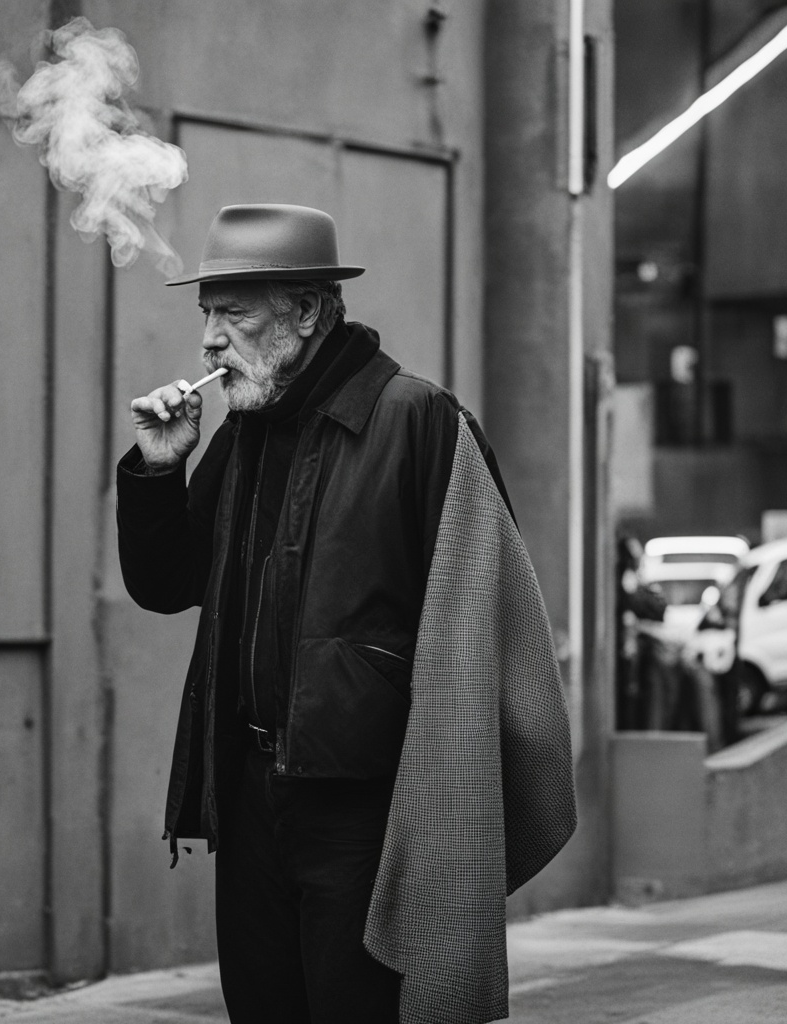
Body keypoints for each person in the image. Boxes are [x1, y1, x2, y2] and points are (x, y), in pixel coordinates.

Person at [116, 203, 576, 1024]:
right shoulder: (244, 432)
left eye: (233, 314)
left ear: (306, 311)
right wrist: (158, 471)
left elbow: (480, 614)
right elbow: (168, 584)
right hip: (250, 796)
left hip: (366, 813)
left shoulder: (417, 419)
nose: (209, 341)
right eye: (206, 315)